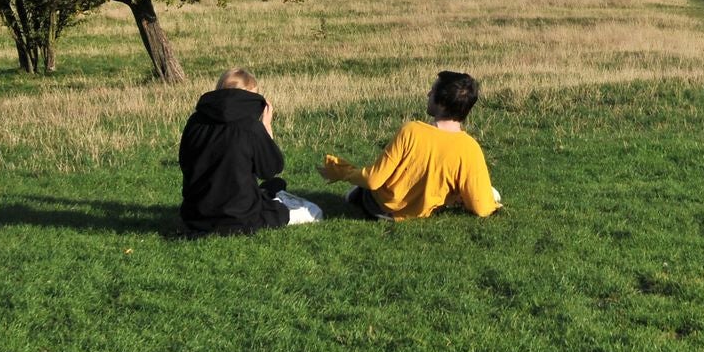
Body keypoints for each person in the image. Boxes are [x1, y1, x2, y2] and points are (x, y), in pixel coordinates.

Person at [319, 71, 501, 221]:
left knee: (368, 188)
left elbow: (373, 180)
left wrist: (343, 172)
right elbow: (482, 207)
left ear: (442, 102)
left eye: (433, 90)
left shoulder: (411, 131)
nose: (428, 94)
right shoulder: (470, 148)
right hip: (421, 213)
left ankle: (357, 193)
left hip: (379, 209)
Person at [178, 67, 321, 236]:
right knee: (314, 211)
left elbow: (185, 162)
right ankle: (276, 199)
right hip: (241, 219)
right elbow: (270, 169)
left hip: (195, 217)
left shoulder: (195, 122)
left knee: (271, 187)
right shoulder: (250, 127)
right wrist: (266, 128)